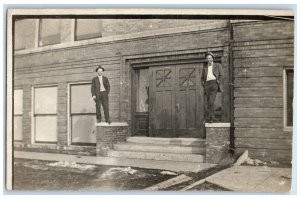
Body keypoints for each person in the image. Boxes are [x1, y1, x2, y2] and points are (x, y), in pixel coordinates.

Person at [201, 52, 224, 123]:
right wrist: (203, 84)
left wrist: (218, 82)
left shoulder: (218, 65)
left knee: (211, 101)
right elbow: (202, 78)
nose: (209, 60)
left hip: (214, 83)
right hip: (207, 84)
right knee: (208, 102)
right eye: (208, 58)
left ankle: (211, 117)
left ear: (213, 58)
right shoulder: (205, 67)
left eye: (210, 58)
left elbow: (222, 75)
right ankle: (210, 117)